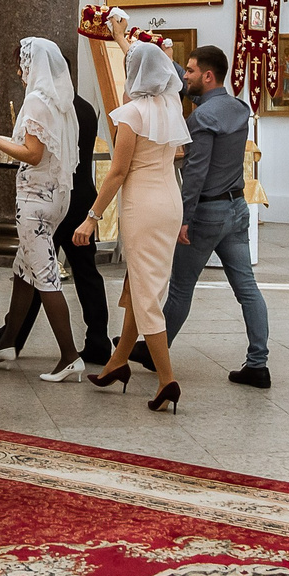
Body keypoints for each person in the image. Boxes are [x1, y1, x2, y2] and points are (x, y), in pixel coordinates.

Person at [71, 40, 188, 412]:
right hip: (170, 201)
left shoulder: (132, 114)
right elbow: (178, 151)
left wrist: (92, 217)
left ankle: (167, 380)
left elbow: (118, 172)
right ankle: (118, 362)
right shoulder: (171, 105)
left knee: (147, 292)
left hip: (143, 206)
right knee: (142, 282)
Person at [150, 46, 271, 389]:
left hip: (206, 213)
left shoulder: (202, 118)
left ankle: (157, 351)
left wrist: (184, 219)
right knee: (247, 288)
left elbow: (196, 173)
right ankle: (258, 364)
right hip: (236, 208)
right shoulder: (238, 109)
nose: (184, 76)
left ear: (207, 75)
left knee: (180, 288)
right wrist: (167, 56)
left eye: (189, 71)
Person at [0, 39, 87, 381]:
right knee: (25, 269)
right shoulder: (60, 101)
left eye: (23, 65)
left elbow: (32, 154)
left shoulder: (37, 101)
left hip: (36, 199)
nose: (21, 73)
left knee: (46, 276)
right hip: (55, 196)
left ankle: (69, 356)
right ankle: (7, 342)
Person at [0, 88, 111, 366]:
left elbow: (36, 154)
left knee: (40, 272)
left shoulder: (51, 106)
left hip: (49, 196)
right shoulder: (82, 106)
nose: (23, 77)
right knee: (79, 273)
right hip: (79, 194)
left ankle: (23, 340)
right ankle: (96, 340)